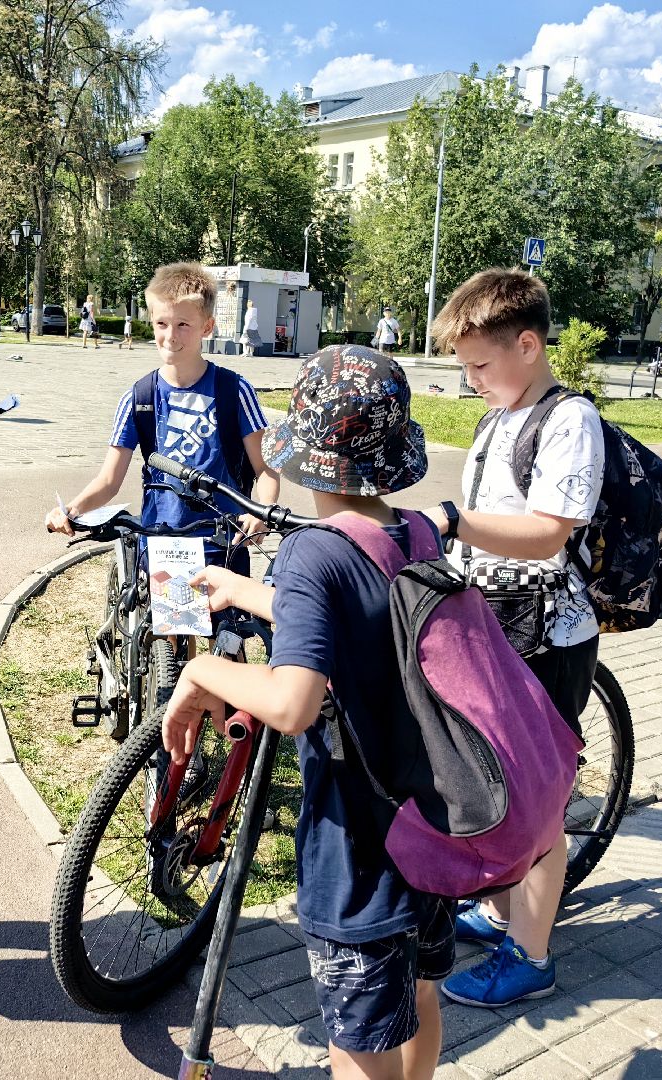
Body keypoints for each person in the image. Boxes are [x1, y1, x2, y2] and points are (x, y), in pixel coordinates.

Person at [163, 345, 453, 1078]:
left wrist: (204, 669)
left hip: (359, 848)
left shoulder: (311, 553)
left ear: (305, 454)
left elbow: (295, 703)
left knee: (359, 1045)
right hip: (435, 826)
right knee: (421, 998)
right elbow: (367, 618)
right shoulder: (416, 534)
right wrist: (250, 593)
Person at [414, 268, 603, 1010]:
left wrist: (452, 523)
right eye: (464, 369)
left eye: (480, 366)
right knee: (484, 774)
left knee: (537, 802)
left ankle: (532, 955)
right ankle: (503, 912)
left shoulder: (568, 420)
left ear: (529, 344)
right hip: (494, 624)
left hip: (547, 636)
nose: (472, 382)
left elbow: (548, 533)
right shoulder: (500, 416)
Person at [44, 262, 279, 580]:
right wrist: (70, 510)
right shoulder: (139, 397)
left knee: (225, 631)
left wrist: (261, 511)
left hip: (223, 542)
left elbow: (265, 469)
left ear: (206, 327)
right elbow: (109, 481)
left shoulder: (234, 391)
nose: (170, 336)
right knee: (172, 627)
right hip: (162, 543)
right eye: (161, 323)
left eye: (183, 324)